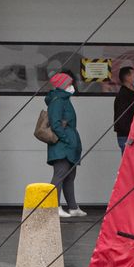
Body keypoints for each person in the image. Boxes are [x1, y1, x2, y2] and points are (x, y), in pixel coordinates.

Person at [45, 71, 83, 217]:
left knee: (69, 176)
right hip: (62, 146)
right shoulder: (58, 101)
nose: (72, 86)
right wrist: (66, 139)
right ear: (63, 85)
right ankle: (54, 206)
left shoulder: (64, 99)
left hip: (68, 146)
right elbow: (55, 124)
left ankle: (72, 207)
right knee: (60, 175)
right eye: (69, 83)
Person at [112, 65, 134, 154]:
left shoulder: (133, 94)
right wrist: (132, 133)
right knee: (130, 164)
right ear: (128, 78)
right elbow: (122, 120)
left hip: (131, 135)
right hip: (127, 136)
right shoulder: (124, 96)